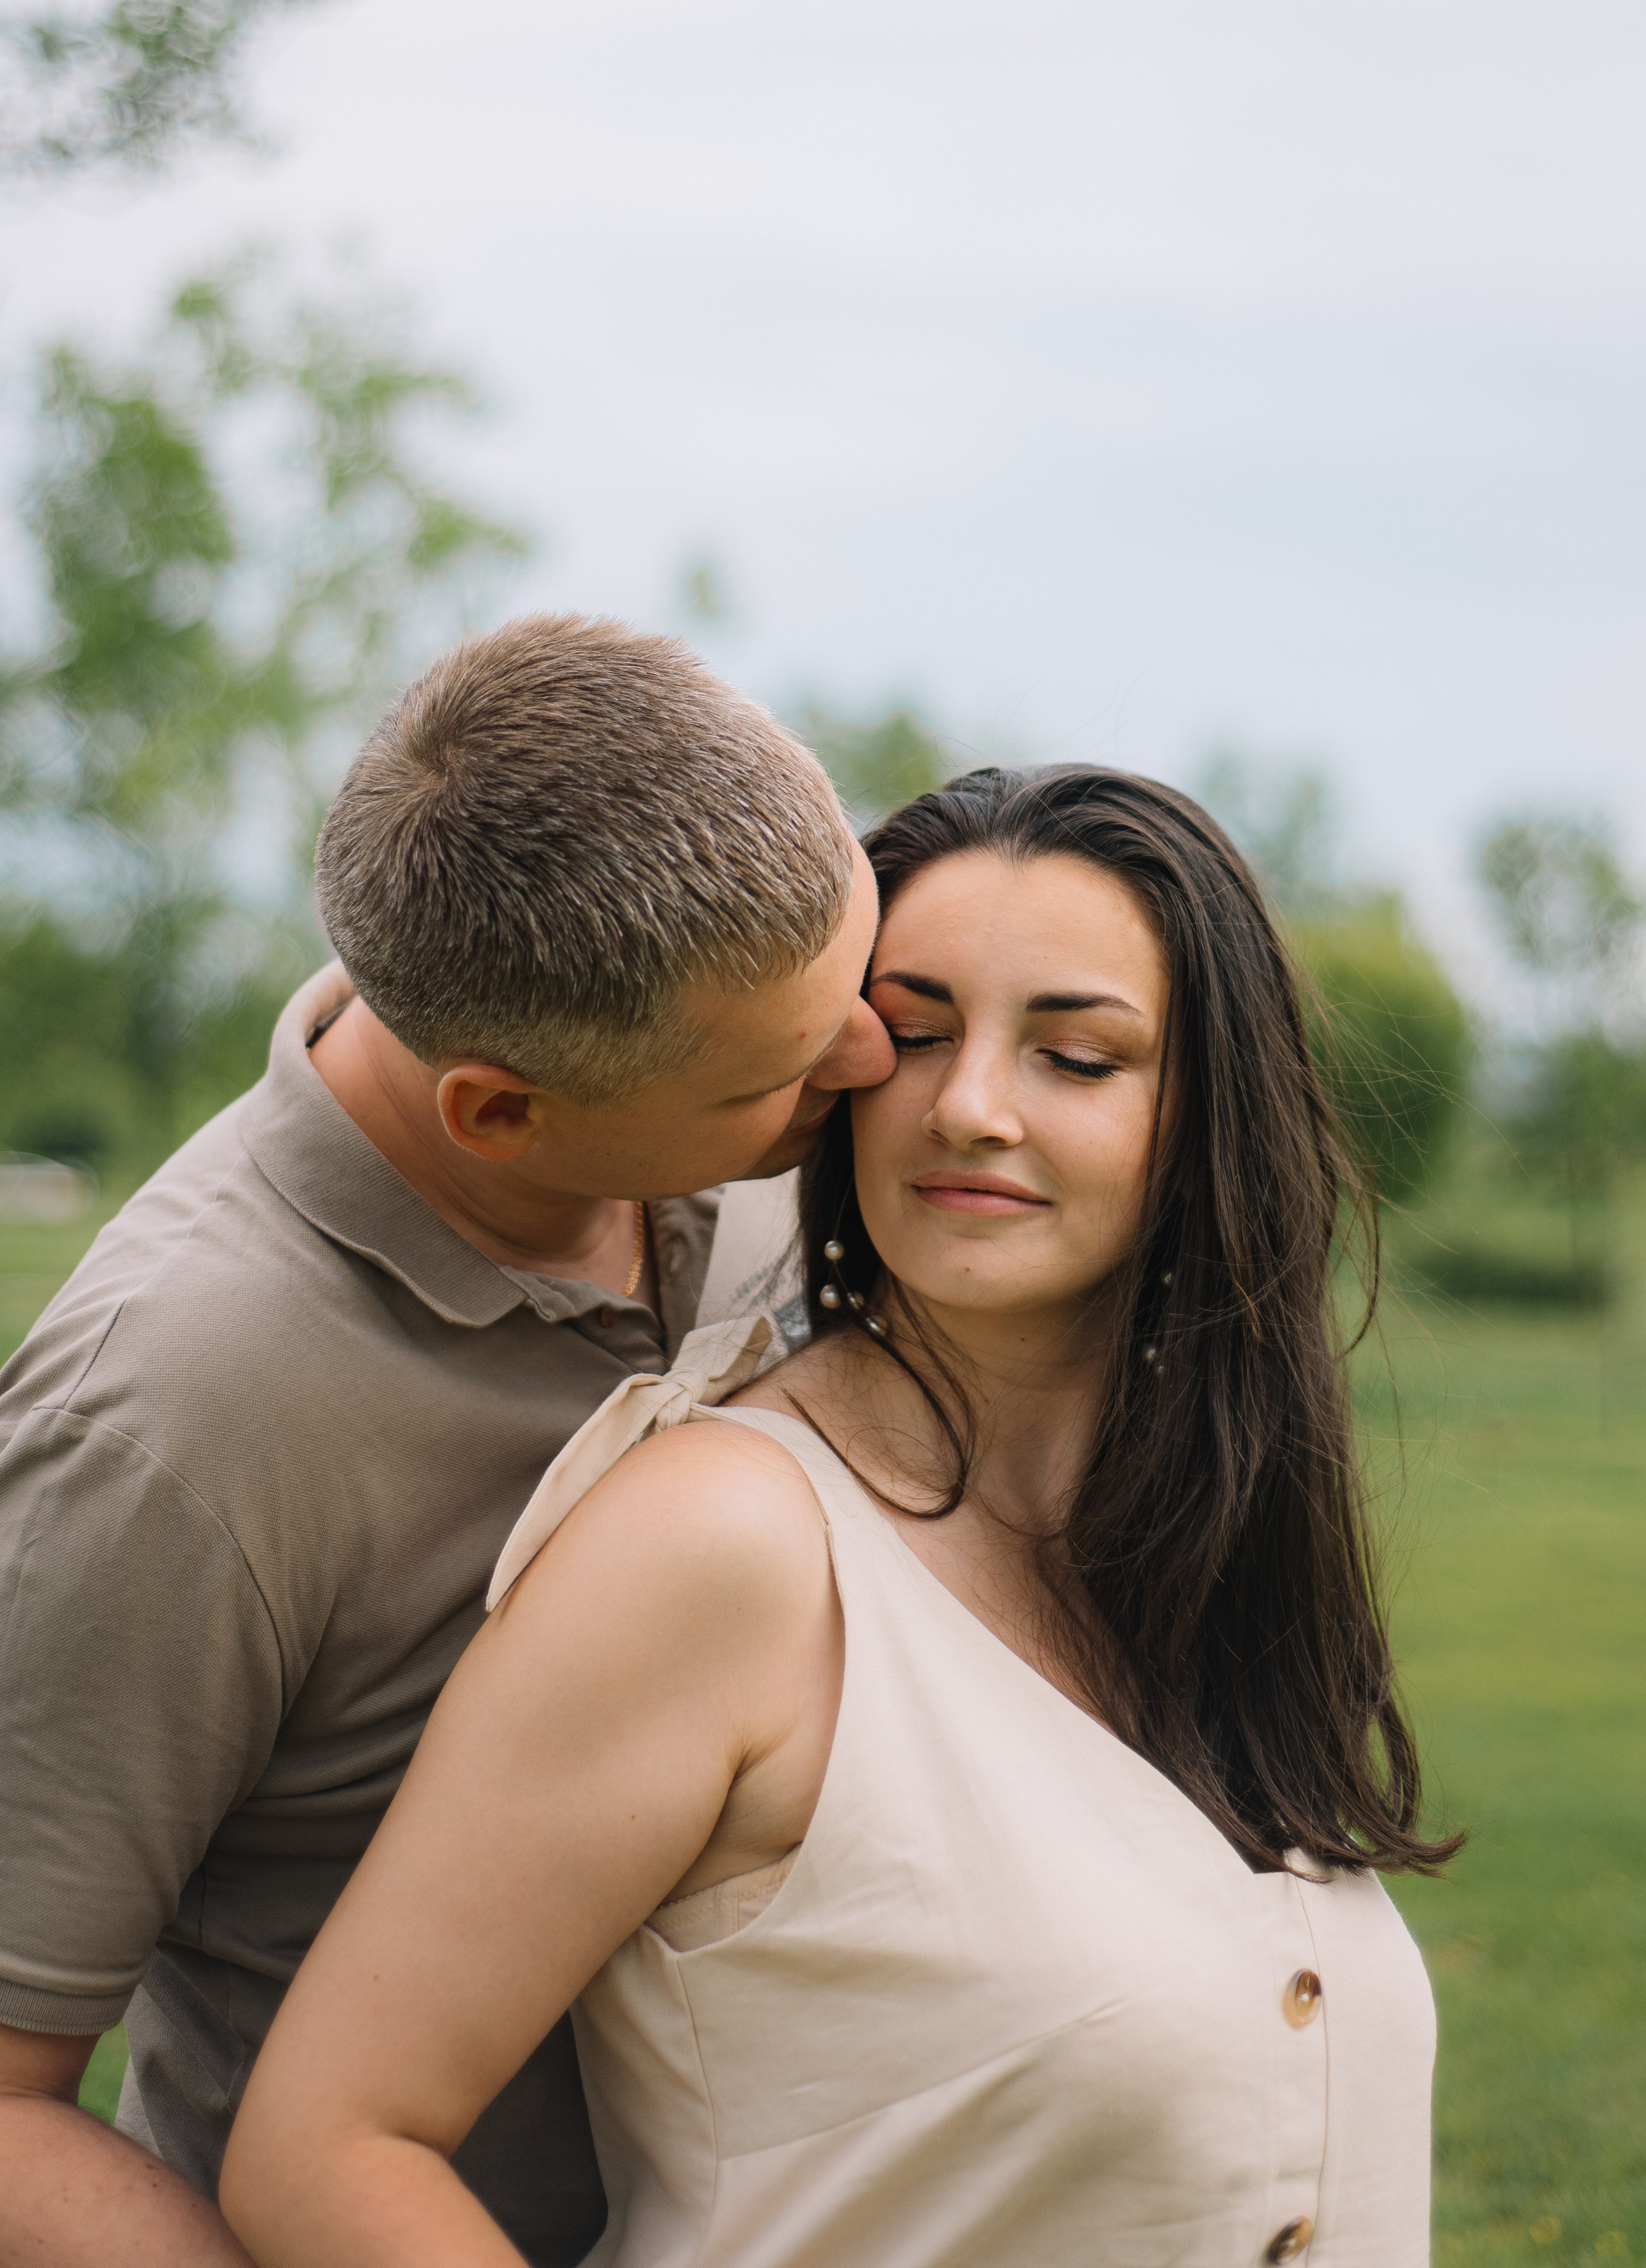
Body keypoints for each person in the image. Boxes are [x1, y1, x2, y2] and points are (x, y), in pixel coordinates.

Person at [221, 762, 1456, 2268]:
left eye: (1074, 1057)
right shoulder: (723, 1544)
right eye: (912, 1037)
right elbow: (328, 2150)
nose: (970, 1107)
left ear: (1210, 1118)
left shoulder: (1207, 1544)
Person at [0, 615, 893, 2268]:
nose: (874, 1063)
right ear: (499, 1110)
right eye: (780, 1075)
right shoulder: (168, 1425)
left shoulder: (732, 1124)